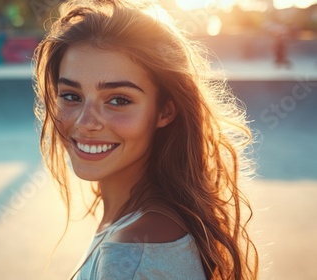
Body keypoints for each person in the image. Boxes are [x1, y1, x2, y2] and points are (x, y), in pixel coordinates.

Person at [32, 0, 258, 279]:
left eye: (118, 100)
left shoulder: (132, 255)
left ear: (165, 111)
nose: (85, 122)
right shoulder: (145, 225)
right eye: (71, 96)